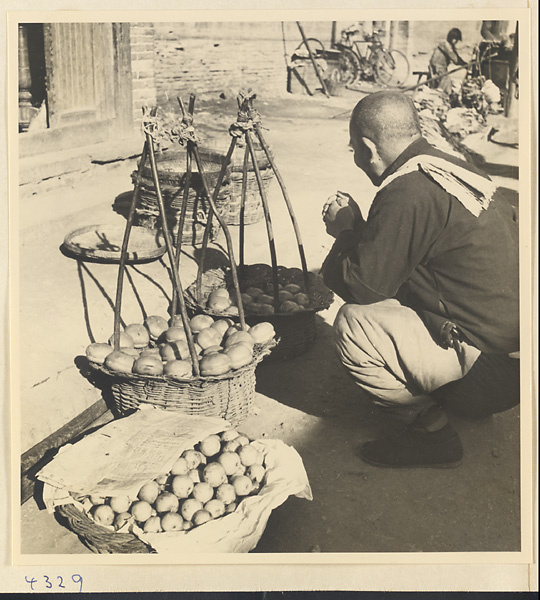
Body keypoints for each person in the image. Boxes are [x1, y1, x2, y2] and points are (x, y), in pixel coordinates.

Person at [321, 91, 519, 468]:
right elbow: (409, 258)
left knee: (354, 323)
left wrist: (346, 233)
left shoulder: (407, 189)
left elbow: (361, 287)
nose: (359, 161)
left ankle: (431, 434)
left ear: (367, 148)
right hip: (515, 366)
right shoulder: (451, 166)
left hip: (489, 378)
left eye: (355, 151)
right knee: (400, 295)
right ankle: (458, 389)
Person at [429, 28, 467, 93]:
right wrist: (465, 65)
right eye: (456, 40)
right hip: (438, 69)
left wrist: (464, 63)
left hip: (436, 67)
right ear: (452, 39)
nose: (456, 42)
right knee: (446, 83)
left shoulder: (446, 45)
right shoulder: (447, 46)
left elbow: (456, 56)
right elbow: (455, 60)